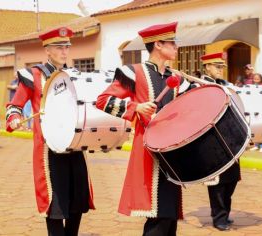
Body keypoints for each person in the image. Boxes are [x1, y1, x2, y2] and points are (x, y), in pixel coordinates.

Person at [96, 22, 196, 236]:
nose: (176, 47)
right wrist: (135, 107)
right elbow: (103, 101)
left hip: (172, 153)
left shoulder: (176, 78)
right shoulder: (133, 72)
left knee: (169, 215)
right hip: (149, 153)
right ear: (158, 44)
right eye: (172, 43)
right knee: (158, 215)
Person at [6, 27, 94, 236]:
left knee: (77, 202)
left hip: (74, 146)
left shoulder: (74, 75)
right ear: (47, 50)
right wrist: (15, 118)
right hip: (49, 151)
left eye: (67, 47)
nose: (64, 51)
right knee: (54, 205)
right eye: (59, 47)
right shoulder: (33, 75)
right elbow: (14, 106)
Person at [200, 52, 240, 231]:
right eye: (217, 67)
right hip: (212, 140)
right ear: (207, 67)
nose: (220, 70)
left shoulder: (226, 86)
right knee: (217, 181)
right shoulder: (198, 86)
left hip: (230, 138)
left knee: (231, 179)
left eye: (222, 67)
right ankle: (219, 217)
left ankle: (225, 212)